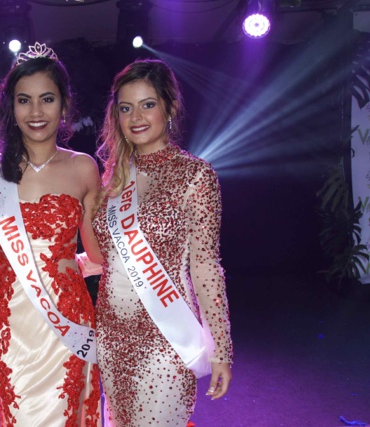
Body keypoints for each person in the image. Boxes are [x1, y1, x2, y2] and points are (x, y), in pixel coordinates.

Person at [92, 59, 233, 426]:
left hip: (167, 336)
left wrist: (222, 349)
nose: (136, 116)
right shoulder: (110, 180)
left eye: (148, 104)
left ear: (169, 108)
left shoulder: (195, 175)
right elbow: (110, 257)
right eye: (126, 108)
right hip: (112, 333)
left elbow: (205, 265)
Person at [0, 43, 102, 426]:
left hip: (71, 319)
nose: (35, 112)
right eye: (24, 100)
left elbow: (97, 251)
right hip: (15, 320)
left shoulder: (83, 168)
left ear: (64, 105)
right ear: (10, 108)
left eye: (47, 99)